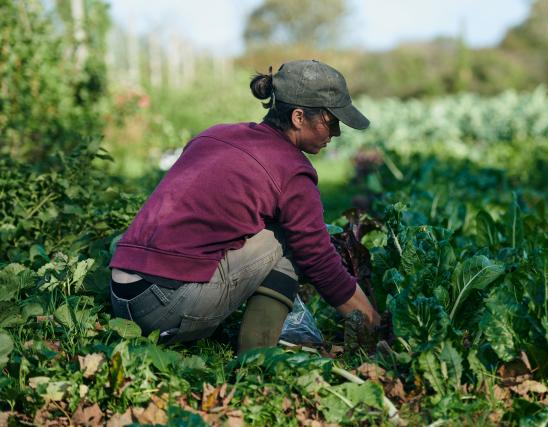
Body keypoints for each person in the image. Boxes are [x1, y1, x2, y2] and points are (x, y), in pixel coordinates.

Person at [109, 59, 380, 354]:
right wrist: (372, 323)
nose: (337, 133)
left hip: (121, 295)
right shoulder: (292, 171)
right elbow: (319, 262)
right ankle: (257, 357)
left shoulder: (215, 134)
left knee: (272, 228)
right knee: (290, 238)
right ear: (299, 117)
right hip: (163, 309)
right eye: (332, 121)